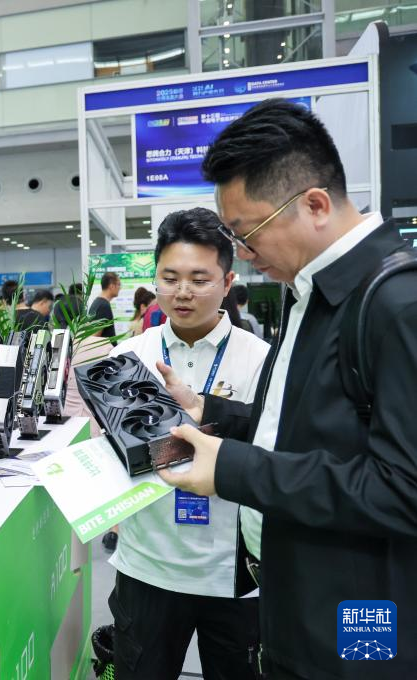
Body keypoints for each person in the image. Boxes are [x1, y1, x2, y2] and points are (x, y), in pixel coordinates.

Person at [157, 99, 417, 679]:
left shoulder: (396, 305)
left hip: (357, 626)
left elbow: (404, 490)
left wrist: (234, 469)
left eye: (248, 234)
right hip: (297, 604)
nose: (246, 257)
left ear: (315, 205)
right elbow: (302, 425)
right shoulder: (312, 294)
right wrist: (208, 410)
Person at [106, 208, 270, 680]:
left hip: (234, 574)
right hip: (147, 566)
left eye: (199, 279)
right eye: (170, 277)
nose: (182, 292)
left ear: (227, 281)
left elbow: (271, 454)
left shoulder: (261, 360)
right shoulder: (129, 356)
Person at [90, 272, 121, 345]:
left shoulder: (98, 303)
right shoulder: (103, 306)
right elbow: (95, 337)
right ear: (111, 286)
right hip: (105, 351)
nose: (120, 288)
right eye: (118, 284)